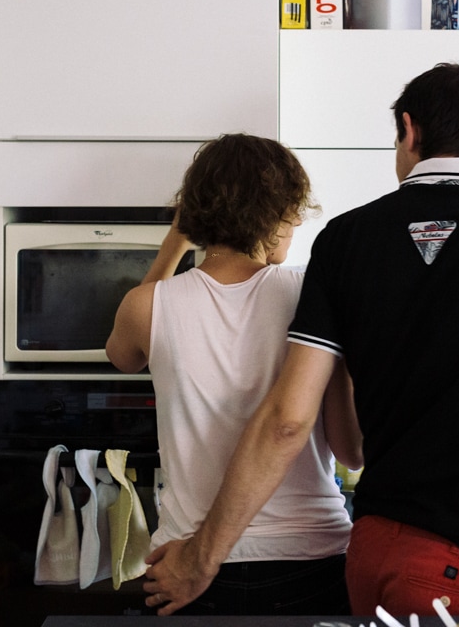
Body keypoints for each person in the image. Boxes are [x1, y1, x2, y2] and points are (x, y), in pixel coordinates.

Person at [141, 64, 459, 618]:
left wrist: (204, 558)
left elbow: (289, 418)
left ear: (409, 129)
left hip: (376, 551)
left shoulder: (346, 239)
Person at [105, 133, 363, 616]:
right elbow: (352, 450)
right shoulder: (317, 294)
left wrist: (175, 241)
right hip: (312, 554)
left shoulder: (147, 305)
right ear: (277, 212)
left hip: (188, 562)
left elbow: (122, 356)